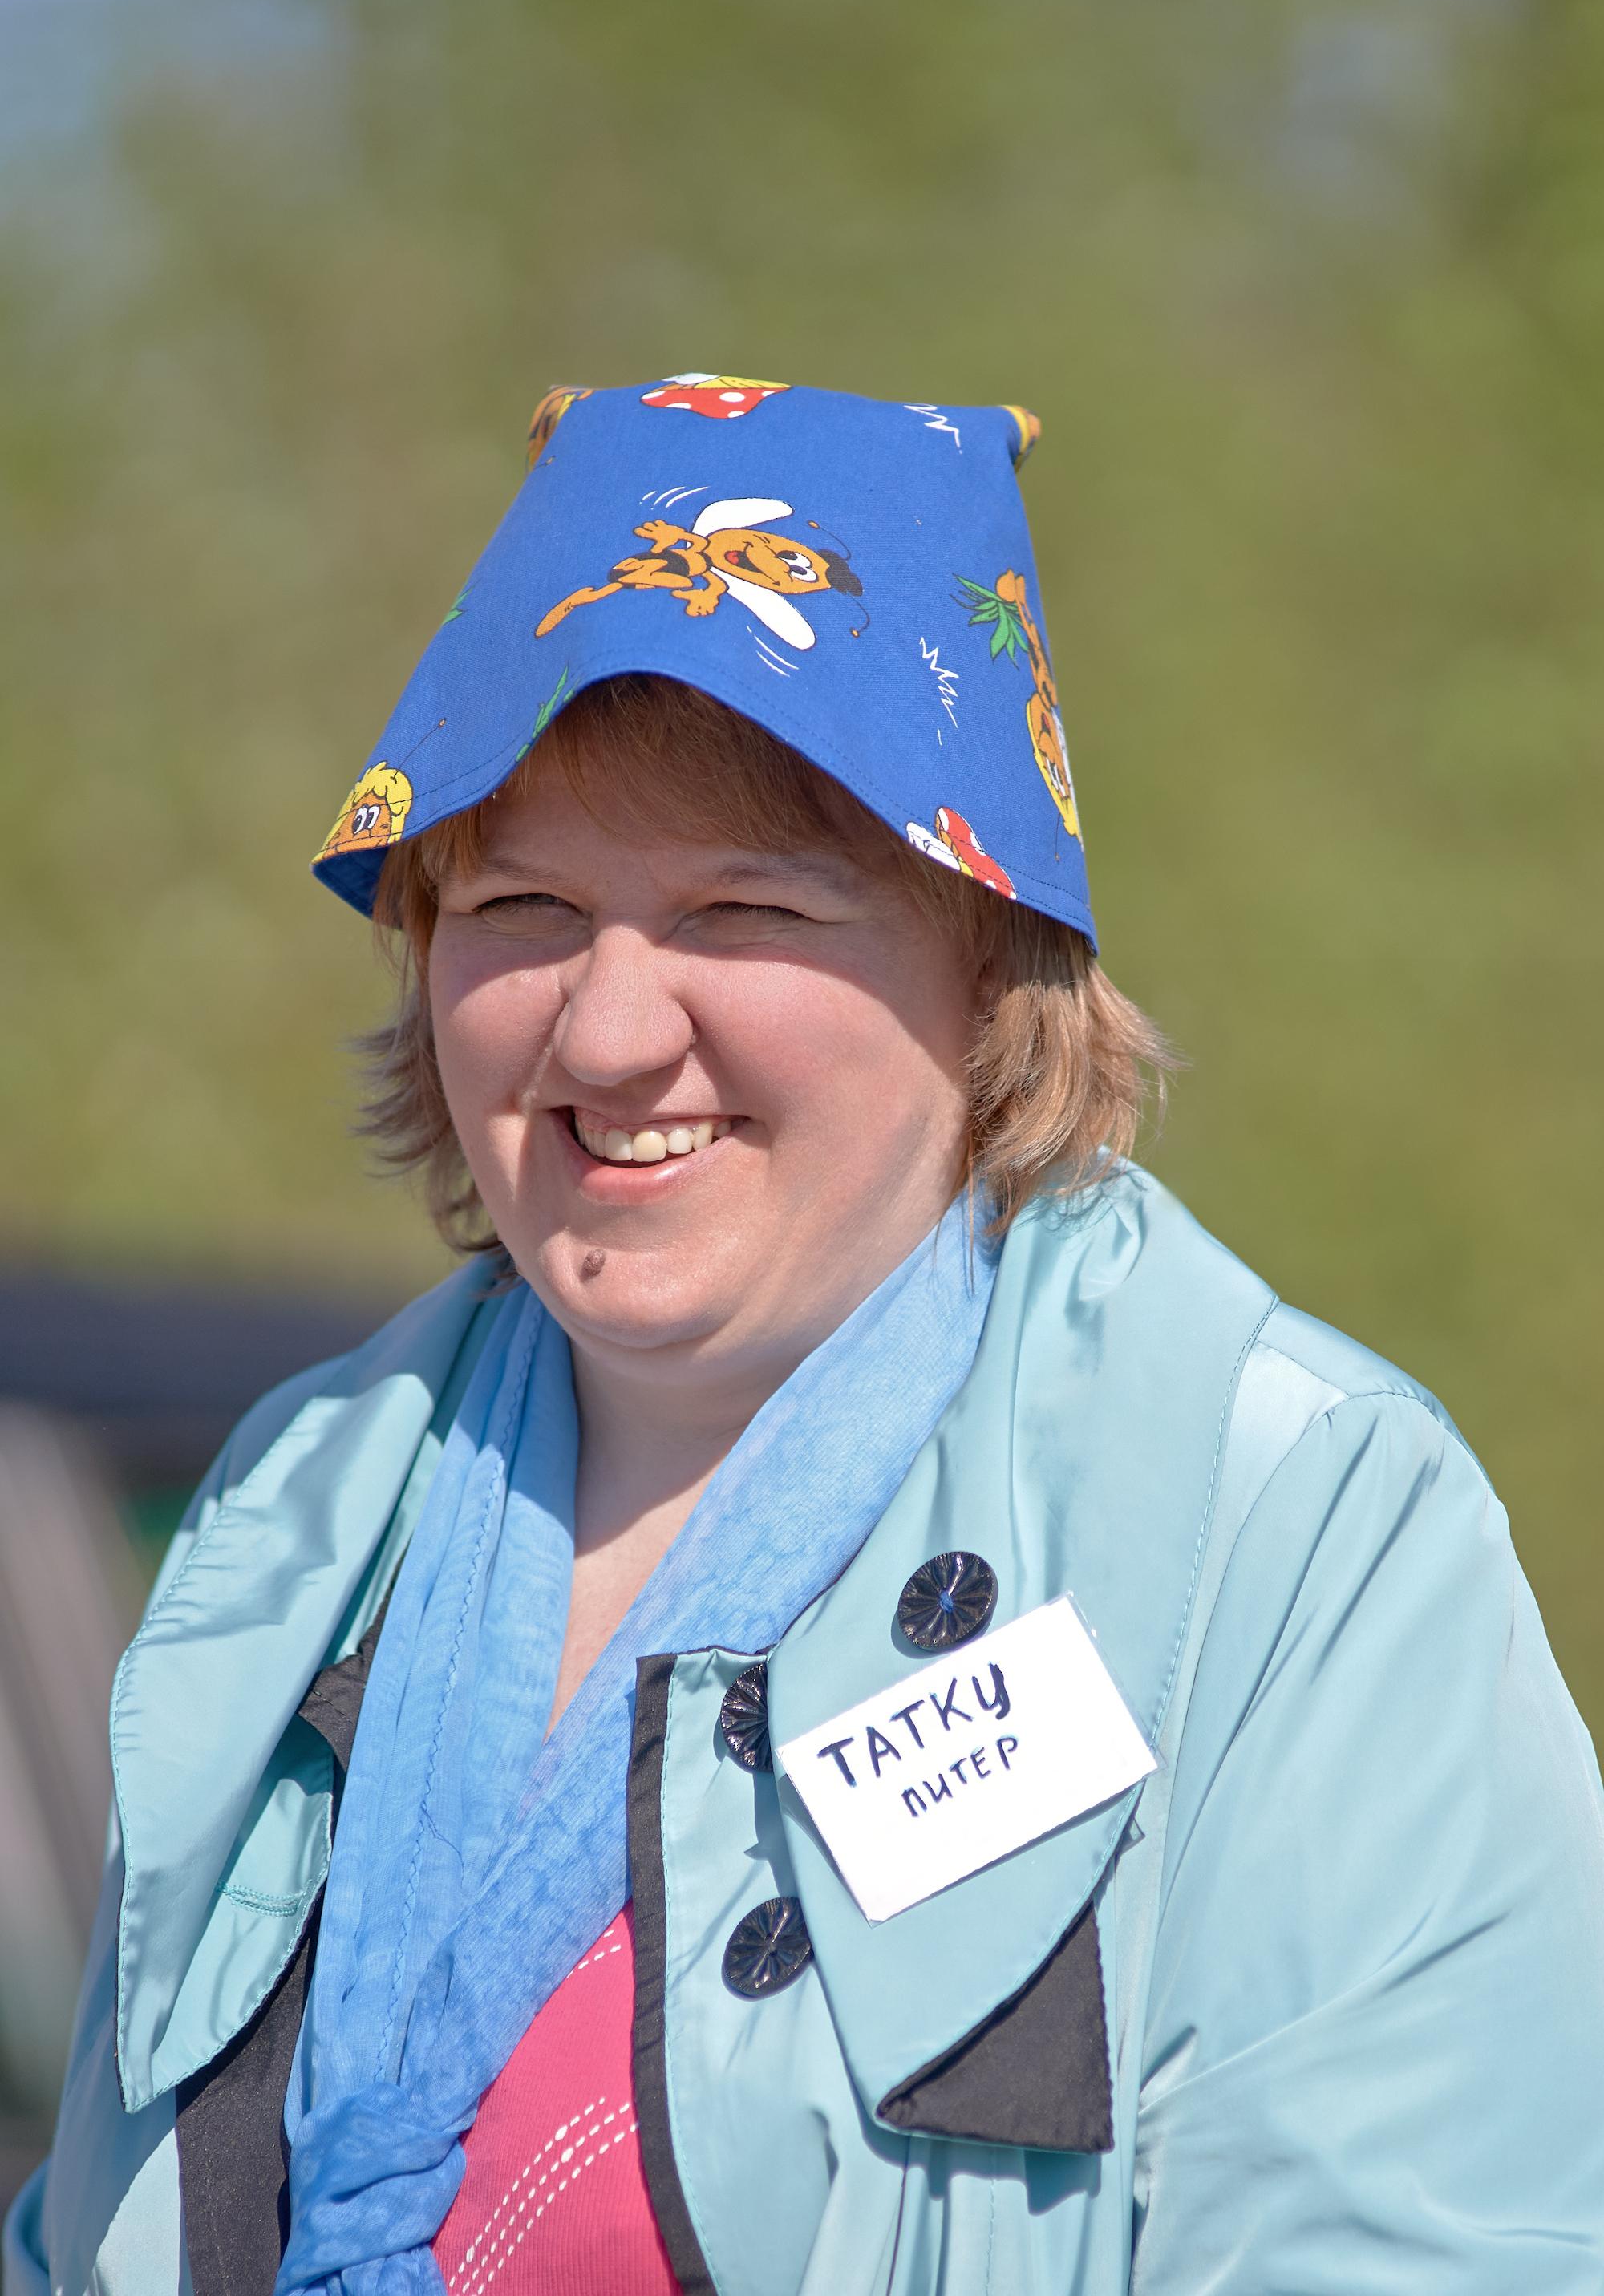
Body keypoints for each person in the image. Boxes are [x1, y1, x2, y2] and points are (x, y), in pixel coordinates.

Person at [6, 379, 1602, 2296]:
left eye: (744, 910)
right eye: (521, 905)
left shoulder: (1285, 1521)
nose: (608, 1032)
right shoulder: (304, 1506)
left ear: (991, 963)